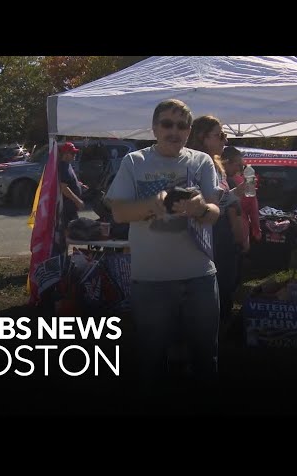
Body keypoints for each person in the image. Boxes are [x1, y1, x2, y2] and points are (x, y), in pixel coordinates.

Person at [105, 99, 222, 405]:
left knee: (205, 358)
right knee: (150, 360)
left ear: (189, 130)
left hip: (200, 276)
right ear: (154, 127)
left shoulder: (201, 161)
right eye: (167, 124)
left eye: (182, 126)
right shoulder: (134, 162)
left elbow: (214, 213)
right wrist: (152, 205)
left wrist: (201, 208)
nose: (174, 131)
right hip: (151, 279)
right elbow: (118, 213)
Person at [187, 115, 244, 322]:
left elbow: (219, 199)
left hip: (220, 230)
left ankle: (218, 328)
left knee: (225, 282)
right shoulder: (194, 163)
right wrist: (234, 195)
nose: (225, 140)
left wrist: (237, 192)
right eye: (220, 135)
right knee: (218, 283)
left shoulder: (215, 164)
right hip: (209, 231)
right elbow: (204, 201)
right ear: (202, 137)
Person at [58, 141, 86, 227]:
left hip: (71, 208)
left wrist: (79, 184)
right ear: (66, 154)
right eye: (72, 153)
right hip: (67, 207)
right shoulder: (63, 167)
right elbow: (64, 188)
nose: (75, 154)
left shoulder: (68, 165)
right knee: (70, 229)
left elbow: (69, 181)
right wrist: (77, 201)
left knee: (74, 228)